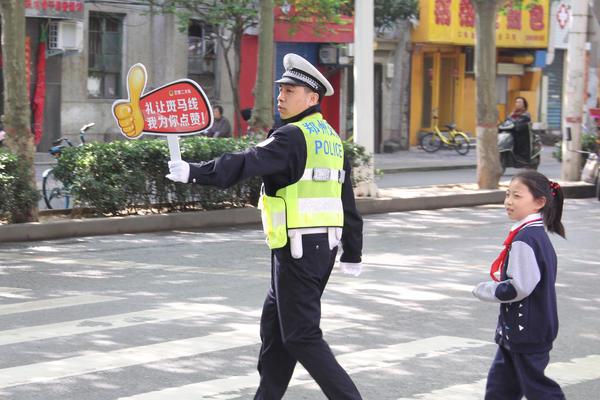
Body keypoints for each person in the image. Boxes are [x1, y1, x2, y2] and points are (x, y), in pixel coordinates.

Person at [166, 53, 364, 399]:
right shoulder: (330, 138)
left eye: (290, 90)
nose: (281, 97)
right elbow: (345, 199)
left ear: (312, 98)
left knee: (301, 335)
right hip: (317, 250)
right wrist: (353, 251)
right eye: (281, 90)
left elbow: (246, 162)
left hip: (299, 250)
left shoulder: (291, 137)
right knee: (275, 332)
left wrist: (194, 171)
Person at [472, 170, 566, 400]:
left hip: (527, 332)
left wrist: (484, 290)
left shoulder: (526, 239)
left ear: (539, 202)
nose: (508, 201)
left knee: (539, 390)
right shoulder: (529, 234)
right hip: (517, 331)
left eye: (517, 196)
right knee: (500, 389)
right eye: (507, 194)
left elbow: (518, 288)